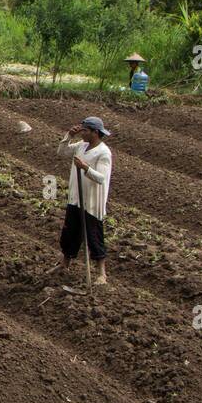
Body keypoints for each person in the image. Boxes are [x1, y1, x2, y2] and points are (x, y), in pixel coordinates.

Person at [56, 116, 114, 284]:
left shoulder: (103, 153)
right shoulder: (81, 146)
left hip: (92, 202)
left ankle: (101, 274)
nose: (82, 133)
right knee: (70, 233)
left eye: (85, 131)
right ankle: (64, 264)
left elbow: (102, 178)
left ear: (95, 133)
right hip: (76, 197)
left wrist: (85, 168)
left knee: (94, 236)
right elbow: (62, 152)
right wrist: (68, 136)